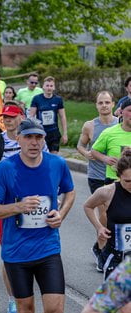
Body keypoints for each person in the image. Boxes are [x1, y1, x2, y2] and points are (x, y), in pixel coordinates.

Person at [0, 118, 75, 313]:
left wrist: (61, 214)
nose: (34, 142)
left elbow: (70, 192)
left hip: (48, 249)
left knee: (55, 309)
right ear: (18, 139)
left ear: (44, 140)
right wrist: (18, 207)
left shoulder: (57, 164)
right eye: (28, 137)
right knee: (26, 308)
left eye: (38, 137)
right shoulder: (5, 169)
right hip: (17, 252)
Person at [77, 91, 119, 272]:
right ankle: (102, 252)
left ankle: (99, 246)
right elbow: (80, 145)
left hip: (115, 176)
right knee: (105, 214)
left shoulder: (120, 124)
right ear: (96, 105)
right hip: (96, 176)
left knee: (113, 214)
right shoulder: (90, 125)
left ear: (113, 104)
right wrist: (86, 153)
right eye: (100, 102)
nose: (104, 105)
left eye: (107, 102)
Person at [84, 150, 131, 279]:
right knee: (117, 299)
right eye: (127, 181)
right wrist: (99, 227)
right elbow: (88, 206)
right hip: (117, 258)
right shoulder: (107, 192)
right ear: (119, 176)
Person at [91, 98, 131, 185]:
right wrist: (105, 158)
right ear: (121, 112)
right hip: (114, 181)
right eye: (130, 110)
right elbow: (94, 151)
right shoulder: (109, 132)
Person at [29, 76, 68, 154]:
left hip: (54, 132)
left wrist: (65, 133)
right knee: (42, 155)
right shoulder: (37, 99)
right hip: (41, 132)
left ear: (54, 88)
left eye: (51, 86)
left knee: (53, 157)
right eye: (47, 85)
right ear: (43, 87)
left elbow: (62, 117)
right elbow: (31, 116)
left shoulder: (58, 99)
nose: (49, 88)